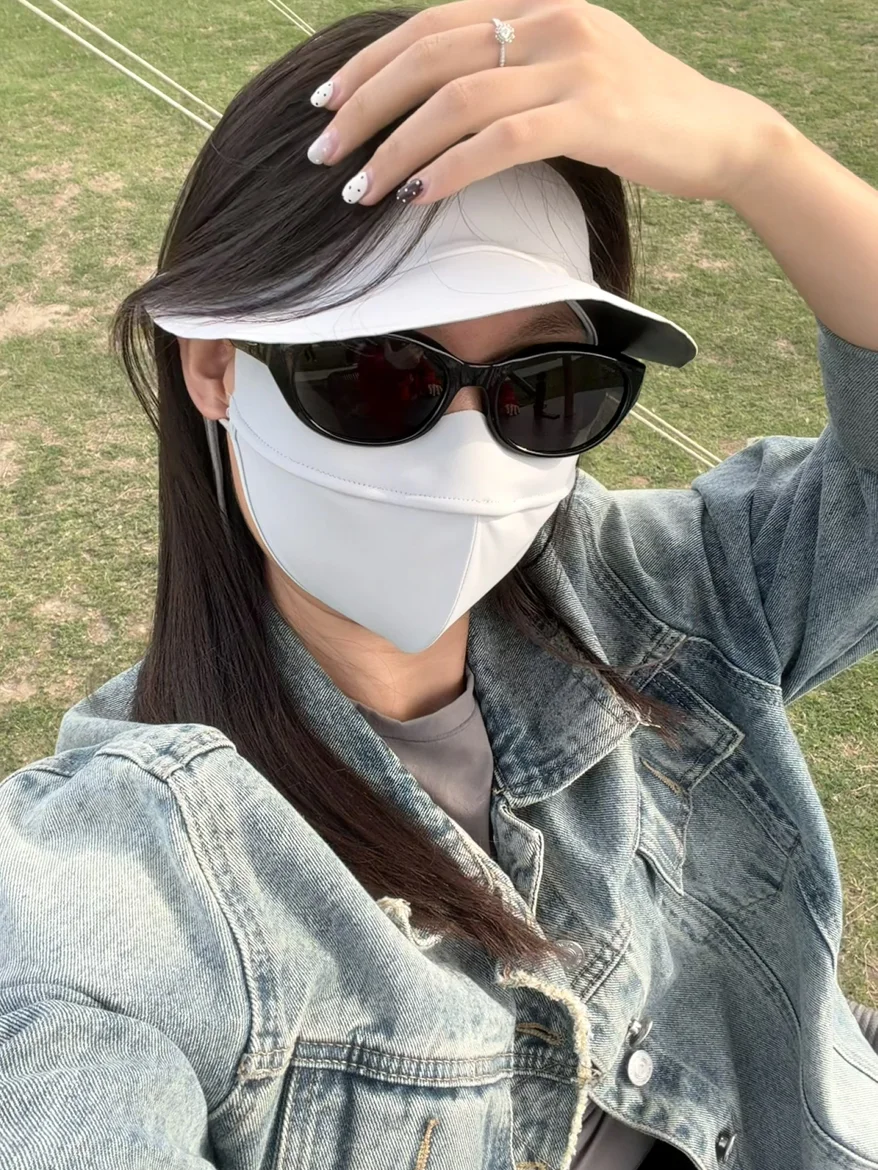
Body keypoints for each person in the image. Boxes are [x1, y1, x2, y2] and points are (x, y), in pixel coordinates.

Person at [1, 3, 877, 1168]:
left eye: (543, 383)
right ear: (215, 365)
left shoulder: (663, 601)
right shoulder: (119, 891)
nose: (465, 456)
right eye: (376, 374)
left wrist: (755, 156)